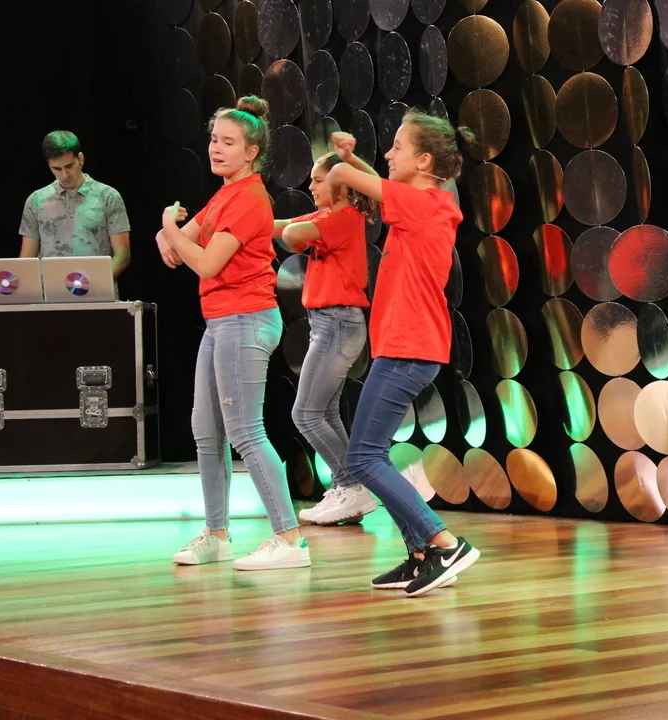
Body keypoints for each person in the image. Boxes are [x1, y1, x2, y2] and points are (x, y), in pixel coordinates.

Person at [325, 113, 480, 597]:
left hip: (409, 348)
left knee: (363, 457)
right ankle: (420, 554)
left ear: (424, 161)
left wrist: (339, 165)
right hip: (406, 347)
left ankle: (443, 542)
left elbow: (346, 178)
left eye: (397, 147)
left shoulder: (422, 204)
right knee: (370, 455)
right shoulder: (424, 202)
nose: (388, 154)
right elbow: (377, 181)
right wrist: (353, 159)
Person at [157, 96, 309, 571]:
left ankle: (289, 539)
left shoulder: (248, 198)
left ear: (251, 151)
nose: (216, 149)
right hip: (221, 320)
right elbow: (176, 247)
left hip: (246, 318)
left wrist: (168, 226)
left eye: (228, 142)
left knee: (245, 430)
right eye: (213, 140)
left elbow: (203, 261)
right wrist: (173, 235)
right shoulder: (225, 195)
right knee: (206, 430)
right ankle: (216, 534)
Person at [273, 148, 380, 526]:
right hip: (328, 324)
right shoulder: (325, 217)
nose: (311, 186)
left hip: (338, 323)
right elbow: (279, 226)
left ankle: (351, 484)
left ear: (341, 185)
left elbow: (291, 232)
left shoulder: (344, 218)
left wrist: (293, 234)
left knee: (305, 414)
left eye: (318, 181)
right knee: (325, 412)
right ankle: (346, 488)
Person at [20, 131, 131, 279]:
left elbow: (122, 255)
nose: (64, 175)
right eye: (57, 169)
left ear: (81, 159)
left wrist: (92, 284)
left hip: (97, 291)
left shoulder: (108, 196)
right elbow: (26, 260)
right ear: (49, 164)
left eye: (69, 166)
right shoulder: (36, 200)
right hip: (50, 291)